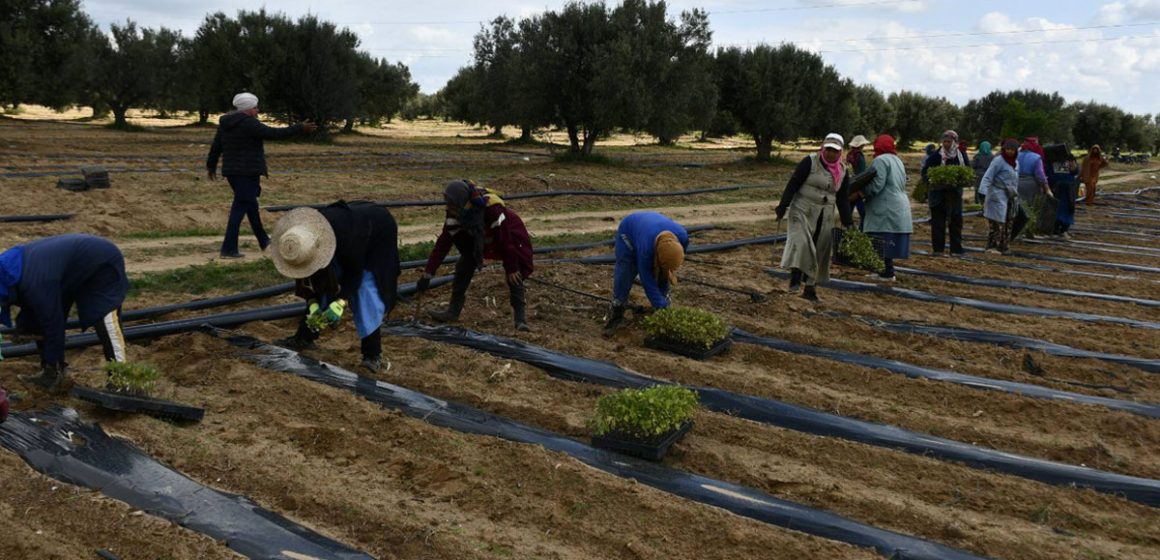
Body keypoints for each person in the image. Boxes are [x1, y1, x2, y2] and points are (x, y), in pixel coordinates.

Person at [270, 202, 401, 373]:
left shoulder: (349, 239)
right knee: (323, 277)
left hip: (376, 235)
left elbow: (354, 273)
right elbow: (305, 275)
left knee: (366, 292)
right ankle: (304, 337)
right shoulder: (298, 237)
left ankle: (372, 354)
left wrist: (340, 301)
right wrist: (312, 302)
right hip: (343, 235)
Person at [0, 234, 129, 394]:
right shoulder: (11, 269)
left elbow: (53, 323)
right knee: (32, 321)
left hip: (100, 260)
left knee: (104, 318)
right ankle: (52, 372)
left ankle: (121, 381)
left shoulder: (35, 284)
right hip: (63, 270)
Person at [206, 92, 317, 259]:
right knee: (239, 208)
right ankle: (228, 248)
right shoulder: (249, 124)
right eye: (255, 107)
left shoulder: (226, 124)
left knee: (251, 206)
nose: (257, 110)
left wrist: (211, 165)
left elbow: (216, 146)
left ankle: (264, 241)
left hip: (232, 172)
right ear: (248, 109)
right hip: (248, 172)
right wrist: (299, 128)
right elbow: (274, 134)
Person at [417, 180, 534, 331]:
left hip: (509, 237)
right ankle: (453, 312)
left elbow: (505, 240)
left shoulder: (492, 209)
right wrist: (428, 274)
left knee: (514, 272)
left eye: (452, 204)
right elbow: (443, 244)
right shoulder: (455, 213)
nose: (449, 208)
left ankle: (520, 319)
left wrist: (511, 267)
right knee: (464, 264)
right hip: (479, 240)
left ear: (462, 202)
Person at [775, 133, 854, 301]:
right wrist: (783, 206)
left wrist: (848, 222)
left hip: (825, 214)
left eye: (835, 151)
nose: (831, 154)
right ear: (823, 148)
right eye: (829, 150)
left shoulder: (843, 170)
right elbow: (794, 183)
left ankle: (810, 288)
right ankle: (795, 276)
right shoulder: (810, 162)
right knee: (801, 242)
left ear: (840, 152)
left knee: (820, 250)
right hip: (802, 210)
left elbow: (842, 199)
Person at [603, 211, 689, 334]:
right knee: (626, 271)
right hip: (629, 231)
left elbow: (674, 258)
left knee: (662, 273)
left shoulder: (682, 236)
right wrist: (661, 307)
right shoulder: (646, 249)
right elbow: (647, 281)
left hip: (649, 227)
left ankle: (664, 300)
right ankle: (618, 308)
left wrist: (666, 272)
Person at [859, 135, 912, 281]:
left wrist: (861, 192)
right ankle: (883, 270)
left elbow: (877, 185)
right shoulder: (897, 160)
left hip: (886, 205)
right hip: (899, 203)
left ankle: (887, 273)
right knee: (885, 238)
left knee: (881, 237)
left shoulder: (880, 160)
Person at [920, 130, 969, 255]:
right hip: (938, 195)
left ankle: (956, 249)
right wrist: (934, 181)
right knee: (938, 222)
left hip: (954, 194)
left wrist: (960, 180)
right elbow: (925, 172)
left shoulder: (961, 155)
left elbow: (968, 171)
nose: (946, 144)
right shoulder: (936, 156)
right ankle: (938, 249)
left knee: (956, 222)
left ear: (954, 142)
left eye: (949, 141)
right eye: (945, 141)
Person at [980, 139, 1021, 254]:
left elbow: (1015, 180)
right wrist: (983, 192)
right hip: (997, 194)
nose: (1010, 152)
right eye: (1008, 149)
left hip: (1010, 195)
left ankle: (1004, 246)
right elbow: (988, 176)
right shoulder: (998, 161)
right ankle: (993, 246)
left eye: (1012, 150)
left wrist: (1015, 195)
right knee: (997, 222)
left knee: (1008, 221)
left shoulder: (1016, 163)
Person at [1011, 137, 1052, 240]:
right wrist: (1047, 189)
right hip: (1031, 185)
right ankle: (1027, 231)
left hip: (1016, 183)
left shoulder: (1016, 155)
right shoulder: (1036, 157)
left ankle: (1014, 230)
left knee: (1017, 208)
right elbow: (1040, 175)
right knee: (1030, 209)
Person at [846, 135, 870, 228]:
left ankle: (847, 231)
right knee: (863, 213)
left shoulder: (850, 154)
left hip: (850, 184)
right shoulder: (859, 156)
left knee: (848, 213)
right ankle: (861, 232)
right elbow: (861, 173)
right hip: (858, 187)